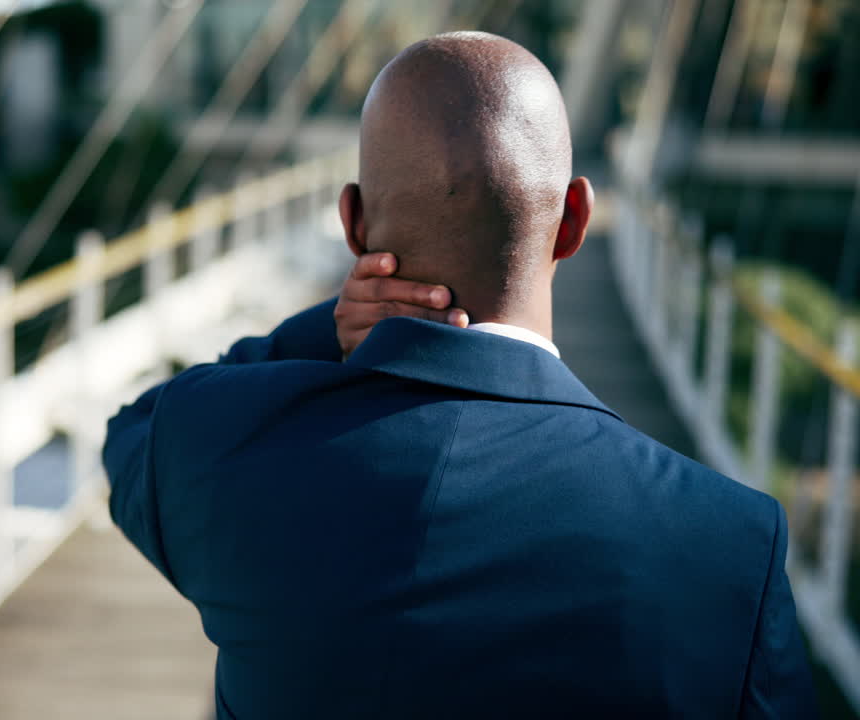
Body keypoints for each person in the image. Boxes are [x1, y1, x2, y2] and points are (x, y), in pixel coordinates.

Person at [103, 32, 816, 718]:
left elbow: (134, 431)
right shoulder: (730, 545)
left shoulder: (218, 451)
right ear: (574, 221)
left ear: (352, 225)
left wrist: (327, 326)